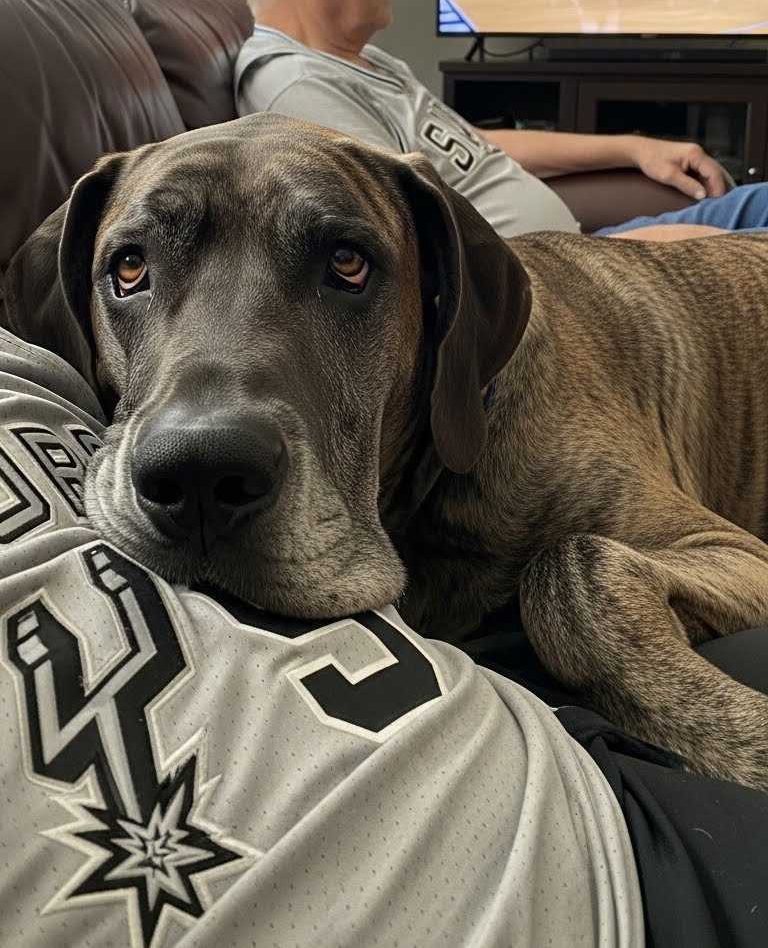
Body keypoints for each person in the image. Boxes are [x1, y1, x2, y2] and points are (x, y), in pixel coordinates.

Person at [2, 334, 768, 947]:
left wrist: (590, 609)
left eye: (344, 267)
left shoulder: (542, 432)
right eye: (134, 269)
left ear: (445, 317)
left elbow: (738, 561)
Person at [224, 0, 768, 242]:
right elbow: (405, 244)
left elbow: (471, 145)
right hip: (565, 288)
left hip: (583, 252)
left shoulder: (362, 62)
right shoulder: (298, 89)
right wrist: (652, 258)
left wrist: (632, 146)